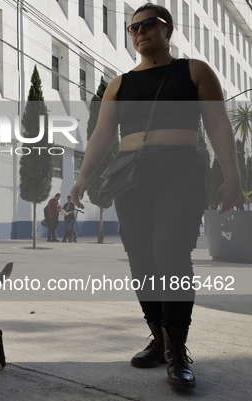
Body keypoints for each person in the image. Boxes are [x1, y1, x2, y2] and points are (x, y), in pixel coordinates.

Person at [70, 4, 241, 390]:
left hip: (181, 170)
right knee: (142, 257)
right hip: (131, 177)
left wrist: (232, 176)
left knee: (171, 252)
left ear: (168, 29)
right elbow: (101, 135)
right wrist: (82, 178)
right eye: (133, 28)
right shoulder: (119, 84)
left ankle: (177, 349)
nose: (140, 32)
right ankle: (160, 338)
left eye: (149, 24)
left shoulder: (194, 71)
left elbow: (217, 122)